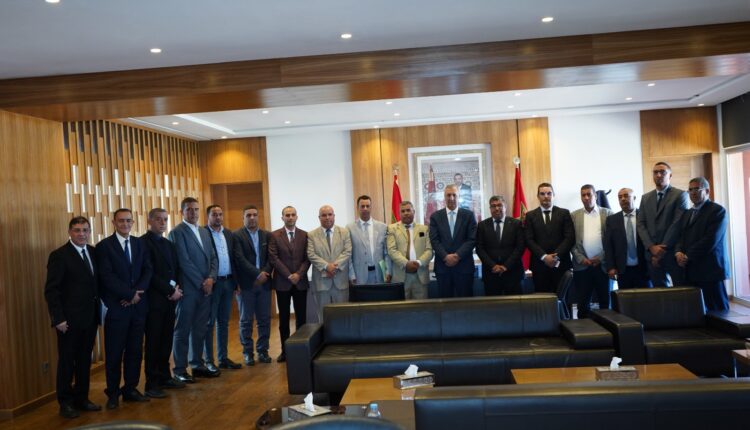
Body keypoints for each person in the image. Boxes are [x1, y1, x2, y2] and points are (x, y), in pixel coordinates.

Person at [44, 216, 102, 418]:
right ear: (70, 232)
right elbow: (52, 290)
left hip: (90, 318)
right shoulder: (59, 255)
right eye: (77, 230)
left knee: (85, 360)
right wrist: (58, 318)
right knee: (67, 362)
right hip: (68, 321)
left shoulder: (93, 252)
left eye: (85, 230)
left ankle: (82, 399)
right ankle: (66, 403)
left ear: (89, 232)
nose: (82, 234)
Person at [95, 208, 152, 409]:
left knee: (135, 351)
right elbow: (106, 277)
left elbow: (148, 270)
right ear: (113, 222)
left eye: (128, 221)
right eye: (121, 221)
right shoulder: (104, 247)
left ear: (133, 222)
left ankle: (130, 389)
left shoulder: (139, 244)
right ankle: (112, 393)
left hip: (138, 307)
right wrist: (129, 295)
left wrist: (137, 294)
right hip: (117, 308)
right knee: (114, 353)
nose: (125, 224)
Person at [169, 197, 219, 383]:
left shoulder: (204, 232)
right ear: (182, 212)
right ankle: (180, 370)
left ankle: (197, 365)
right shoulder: (177, 232)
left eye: (196, 209)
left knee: (200, 329)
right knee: (182, 330)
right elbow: (184, 261)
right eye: (189, 209)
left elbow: (213, 257)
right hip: (189, 290)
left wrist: (211, 279)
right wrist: (202, 282)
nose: (193, 213)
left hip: (206, 290)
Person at [141, 208, 185, 399]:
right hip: (154, 300)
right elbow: (149, 273)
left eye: (165, 219)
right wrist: (169, 290)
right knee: (153, 342)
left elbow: (177, 269)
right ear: (149, 221)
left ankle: (165, 376)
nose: (162, 223)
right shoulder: (142, 243)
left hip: (170, 299)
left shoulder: (169, 244)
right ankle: (151, 383)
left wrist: (177, 289)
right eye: (158, 219)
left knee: (166, 340)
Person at [675, 177, 730, 311]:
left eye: (697, 189)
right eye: (690, 190)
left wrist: (687, 255)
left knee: (717, 312)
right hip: (690, 269)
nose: (693, 192)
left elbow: (710, 240)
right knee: (694, 311)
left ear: (707, 191)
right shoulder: (687, 213)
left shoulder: (717, 211)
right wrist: (678, 252)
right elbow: (680, 236)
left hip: (710, 270)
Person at [268, 206, 310, 363]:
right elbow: (273, 258)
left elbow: (308, 258)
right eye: (287, 215)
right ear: (282, 218)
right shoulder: (274, 235)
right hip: (282, 283)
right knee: (284, 320)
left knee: (301, 319)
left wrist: (298, 274)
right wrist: (288, 275)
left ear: (297, 217)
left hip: (300, 282)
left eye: (293, 215)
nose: (290, 217)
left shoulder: (305, 235)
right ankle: (285, 352)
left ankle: (300, 350)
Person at [637, 161, 689, 287]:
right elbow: (640, 224)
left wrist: (661, 249)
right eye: (655, 172)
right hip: (651, 254)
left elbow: (677, 224)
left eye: (662, 172)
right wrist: (651, 247)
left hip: (672, 253)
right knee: (659, 292)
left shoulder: (680, 195)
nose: (658, 175)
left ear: (670, 175)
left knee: (681, 291)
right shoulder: (645, 198)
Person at [233, 205, 273, 365]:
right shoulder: (237, 235)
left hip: (264, 284)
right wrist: (257, 274)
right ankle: (248, 352)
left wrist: (265, 273)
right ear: (243, 218)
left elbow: (271, 258)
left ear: (258, 217)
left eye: (254, 215)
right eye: (248, 215)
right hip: (246, 285)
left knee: (264, 319)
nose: (252, 218)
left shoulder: (267, 235)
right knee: (246, 321)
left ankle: (263, 351)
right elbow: (239, 259)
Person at [203, 204, 241, 371]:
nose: (218, 217)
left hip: (228, 282)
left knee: (224, 322)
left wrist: (236, 282)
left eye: (220, 214)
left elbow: (234, 259)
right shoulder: (203, 233)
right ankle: (208, 361)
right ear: (208, 216)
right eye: (214, 214)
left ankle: (223, 358)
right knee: (209, 323)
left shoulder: (228, 234)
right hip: (213, 283)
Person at [571, 185, 613, 318]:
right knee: (582, 305)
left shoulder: (608, 214)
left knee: (605, 303)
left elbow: (612, 241)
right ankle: (584, 330)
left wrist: (600, 257)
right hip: (582, 266)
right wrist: (581, 258)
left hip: (603, 266)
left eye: (589, 194)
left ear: (595, 195)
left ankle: (607, 329)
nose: (586, 197)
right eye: (583, 195)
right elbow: (570, 241)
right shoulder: (574, 216)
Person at [525, 183, 575, 293]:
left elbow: (570, 237)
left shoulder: (564, 213)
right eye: (542, 194)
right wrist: (544, 257)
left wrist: (555, 257)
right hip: (539, 266)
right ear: (538, 196)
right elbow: (529, 240)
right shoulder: (530, 216)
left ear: (553, 195)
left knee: (563, 298)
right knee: (542, 299)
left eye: (549, 193)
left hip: (561, 264)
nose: (546, 196)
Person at [429, 184, 477, 297]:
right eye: (448, 195)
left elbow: (472, 239)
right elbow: (434, 240)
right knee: (445, 303)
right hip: (443, 268)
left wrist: (457, 256)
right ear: (444, 197)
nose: (451, 198)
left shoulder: (468, 215)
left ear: (459, 196)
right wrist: (446, 256)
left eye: (454, 195)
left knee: (466, 302)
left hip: (464, 267)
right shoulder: (435, 217)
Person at [307, 205, 352, 322]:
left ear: (334, 216)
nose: (327, 217)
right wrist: (327, 266)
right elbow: (311, 254)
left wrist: (334, 267)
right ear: (319, 217)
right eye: (324, 215)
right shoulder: (311, 235)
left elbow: (347, 251)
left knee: (342, 317)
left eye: (330, 214)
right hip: (321, 282)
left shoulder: (344, 232)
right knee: (323, 318)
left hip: (340, 281)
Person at [475, 195, 525, 295]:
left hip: (513, 273)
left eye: (500, 205)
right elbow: (479, 249)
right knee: (493, 304)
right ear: (490, 209)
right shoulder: (482, 225)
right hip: (491, 275)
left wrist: (506, 266)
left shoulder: (516, 224)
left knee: (514, 304)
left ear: (505, 207)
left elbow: (520, 247)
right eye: (493, 206)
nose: (497, 208)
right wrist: (493, 266)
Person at [604, 188, 651, 289]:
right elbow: (608, 245)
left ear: (634, 198)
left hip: (644, 268)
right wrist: (611, 267)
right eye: (620, 197)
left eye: (626, 196)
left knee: (646, 297)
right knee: (625, 297)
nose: (623, 199)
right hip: (622, 270)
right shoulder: (612, 220)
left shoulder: (645, 216)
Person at [386, 201, 434, 299]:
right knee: (401, 307)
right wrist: (406, 263)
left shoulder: (424, 229)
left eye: (408, 210)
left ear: (414, 212)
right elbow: (392, 250)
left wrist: (418, 263)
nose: (406, 213)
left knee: (421, 306)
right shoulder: (392, 229)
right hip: (401, 276)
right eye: (403, 211)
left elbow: (429, 250)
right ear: (399, 213)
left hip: (420, 275)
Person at [347, 195, 391, 285]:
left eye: (367, 206)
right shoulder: (350, 228)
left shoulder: (382, 227)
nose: (365, 209)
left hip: (379, 274)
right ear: (357, 208)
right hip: (359, 275)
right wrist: (351, 275)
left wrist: (388, 271)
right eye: (362, 206)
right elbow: (349, 255)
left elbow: (386, 253)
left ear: (371, 207)